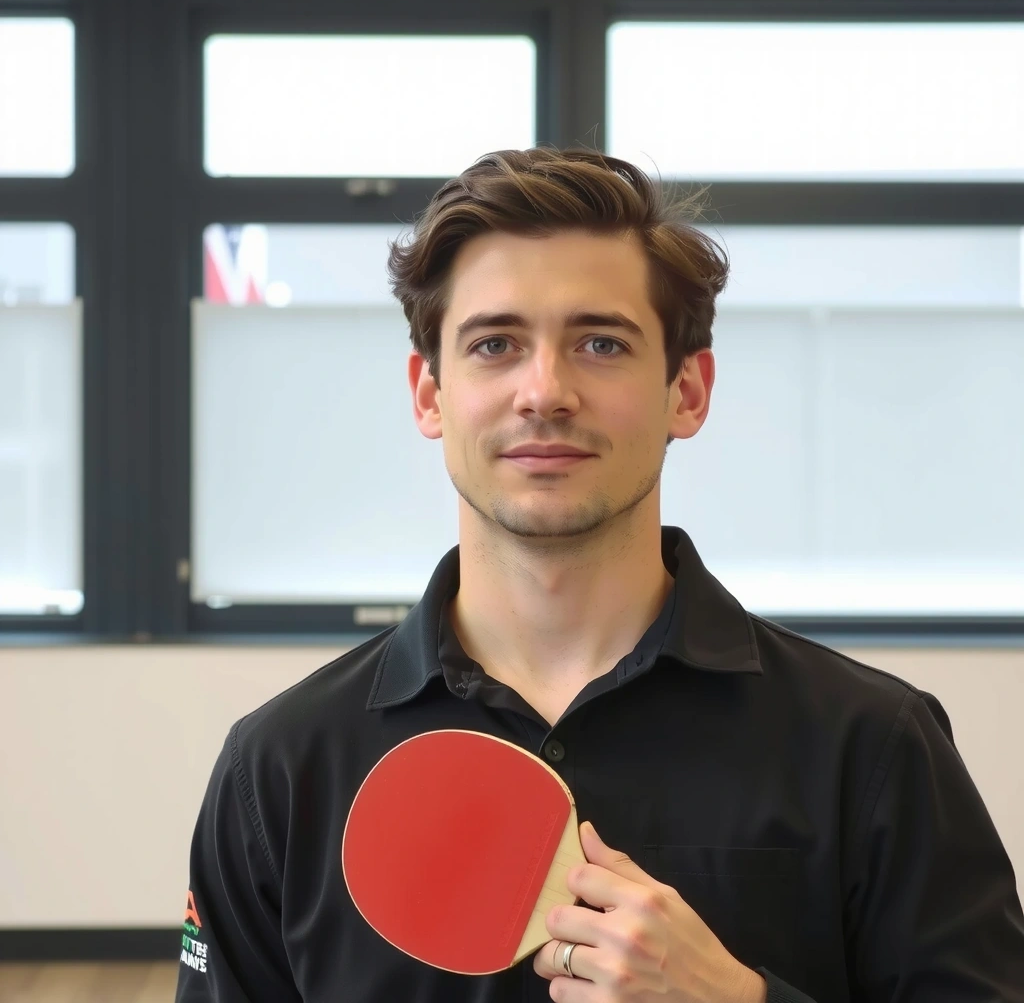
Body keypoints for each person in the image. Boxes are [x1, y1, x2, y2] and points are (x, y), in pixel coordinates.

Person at [175, 147, 1024, 1003]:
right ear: (430, 395)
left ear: (687, 391)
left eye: (601, 342)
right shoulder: (280, 769)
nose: (544, 391)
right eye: (496, 343)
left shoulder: (873, 747)